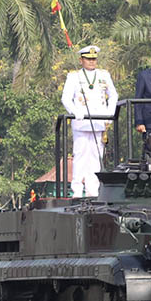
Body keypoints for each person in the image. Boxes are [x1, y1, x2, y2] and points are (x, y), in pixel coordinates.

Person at [60, 45, 118, 197]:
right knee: (79, 155)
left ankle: (93, 190)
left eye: (94, 59)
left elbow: (113, 95)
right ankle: (77, 190)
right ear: (81, 60)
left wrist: (109, 114)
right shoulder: (74, 76)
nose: (92, 62)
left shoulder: (104, 75)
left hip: (99, 120)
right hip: (81, 121)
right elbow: (66, 98)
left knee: (95, 156)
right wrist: (75, 111)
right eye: (88, 59)